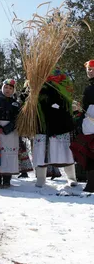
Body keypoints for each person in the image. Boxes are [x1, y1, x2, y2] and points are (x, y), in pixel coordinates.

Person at [33, 65, 77, 187]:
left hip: (60, 122)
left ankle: (71, 178)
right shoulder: (37, 82)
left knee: (65, 151)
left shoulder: (64, 81)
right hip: (42, 122)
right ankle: (41, 179)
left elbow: (68, 99)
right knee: (42, 151)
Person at [0, 79, 20, 188]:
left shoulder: (16, 104)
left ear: (13, 90)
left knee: (8, 155)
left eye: (10, 88)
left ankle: (7, 179)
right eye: (6, 87)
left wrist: (6, 129)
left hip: (10, 132)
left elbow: (18, 119)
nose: (8, 90)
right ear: (2, 88)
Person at [71, 60, 94, 191]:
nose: (89, 72)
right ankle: (91, 183)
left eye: (91, 69)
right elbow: (85, 107)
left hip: (91, 121)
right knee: (90, 151)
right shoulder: (88, 87)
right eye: (88, 70)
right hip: (89, 122)